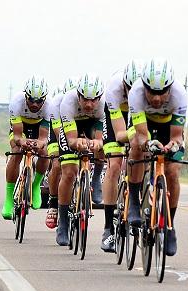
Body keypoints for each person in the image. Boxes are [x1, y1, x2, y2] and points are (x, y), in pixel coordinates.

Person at [127, 58, 187, 256]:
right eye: (151, 91)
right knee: (136, 145)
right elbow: (142, 134)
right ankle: (134, 203)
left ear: (170, 88)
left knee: (172, 171)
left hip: (168, 126)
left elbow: (177, 136)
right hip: (146, 124)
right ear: (144, 86)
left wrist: (173, 145)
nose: (156, 98)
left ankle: (170, 227)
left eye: (162, 92)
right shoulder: (135, 94)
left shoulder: (180, 95)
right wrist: (148, 143)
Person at [56, 73, 105, 246]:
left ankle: (96, 178)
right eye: (85, 99)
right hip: (72, 127)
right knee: (69, 172)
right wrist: (78, 142)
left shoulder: (102, 105)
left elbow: (99, 137)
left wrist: (97, 143)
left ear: (99, 97)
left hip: (92, 124)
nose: (89, 104)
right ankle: (62, 222)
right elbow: (70, 140)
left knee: (103, 147)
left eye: (94, 100)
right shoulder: (67, 103)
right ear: (78, 95)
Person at [99, 60, 143, 252]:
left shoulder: (144, 93)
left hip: (137, 111)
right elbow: (119, 135)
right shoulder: (114, 90)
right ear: (124, 83)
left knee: (144, 154)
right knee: (115, 164)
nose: (132, 91)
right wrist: (135, 134)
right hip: (117, 114)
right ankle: (108, 228)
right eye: (129, 87)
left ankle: (141, 198)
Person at [1, 75, 51, 220]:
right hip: (21, 126)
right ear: (26, 96)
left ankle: (36, 185)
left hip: (39, 126)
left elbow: (43, 138)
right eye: (31, 100)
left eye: (39, 100)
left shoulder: (50, 106)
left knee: (44, 152)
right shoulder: (16, 102)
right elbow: (17, 136)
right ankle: (9, 199)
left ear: (45, 99)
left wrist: (39, 144)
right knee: (16, 152)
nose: (35, 104)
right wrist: (21, 142)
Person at [44, 77, 78, 229]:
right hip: (58, 131)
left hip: (77, 126)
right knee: (58, 163)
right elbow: (59, 134)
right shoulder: (57, 104)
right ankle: (53, 204)